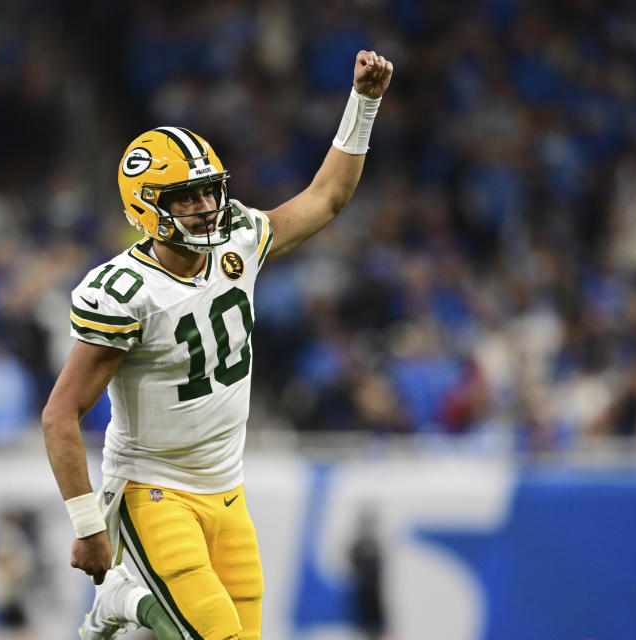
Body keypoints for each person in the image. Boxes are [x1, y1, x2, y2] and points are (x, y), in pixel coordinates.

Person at [42, 50, 393, 640]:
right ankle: (122, 604)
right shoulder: (127, 291)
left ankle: (129, 619)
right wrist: (85, 523)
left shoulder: (239, 243)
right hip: (152, 492)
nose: (206, 208)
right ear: (147, 207)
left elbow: (326, 197)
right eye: (187, 197)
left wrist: (365, 102)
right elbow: (60, 415)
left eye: (209, 192)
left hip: (227, 492)